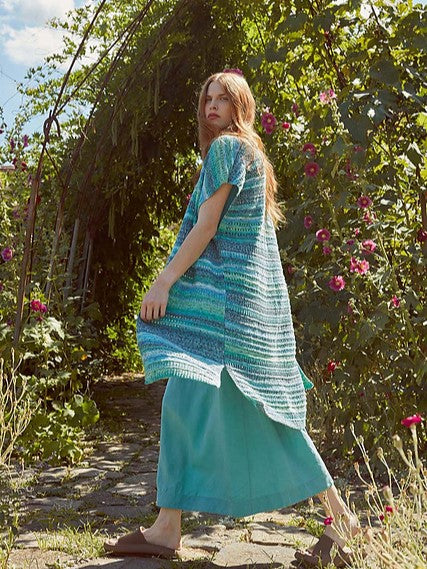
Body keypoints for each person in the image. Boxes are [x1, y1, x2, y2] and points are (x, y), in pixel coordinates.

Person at [104, 70, 364, 567]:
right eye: (208, 98)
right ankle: (339, 520)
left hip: (221, 316)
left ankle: (168, 528)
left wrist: (164, 281)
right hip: (243, 312)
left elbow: (206, 227)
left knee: (195, 403)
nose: (212, 105)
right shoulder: (254, 156)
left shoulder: (227, 149)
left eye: (224, 98)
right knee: (251, 413)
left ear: (240, 105)